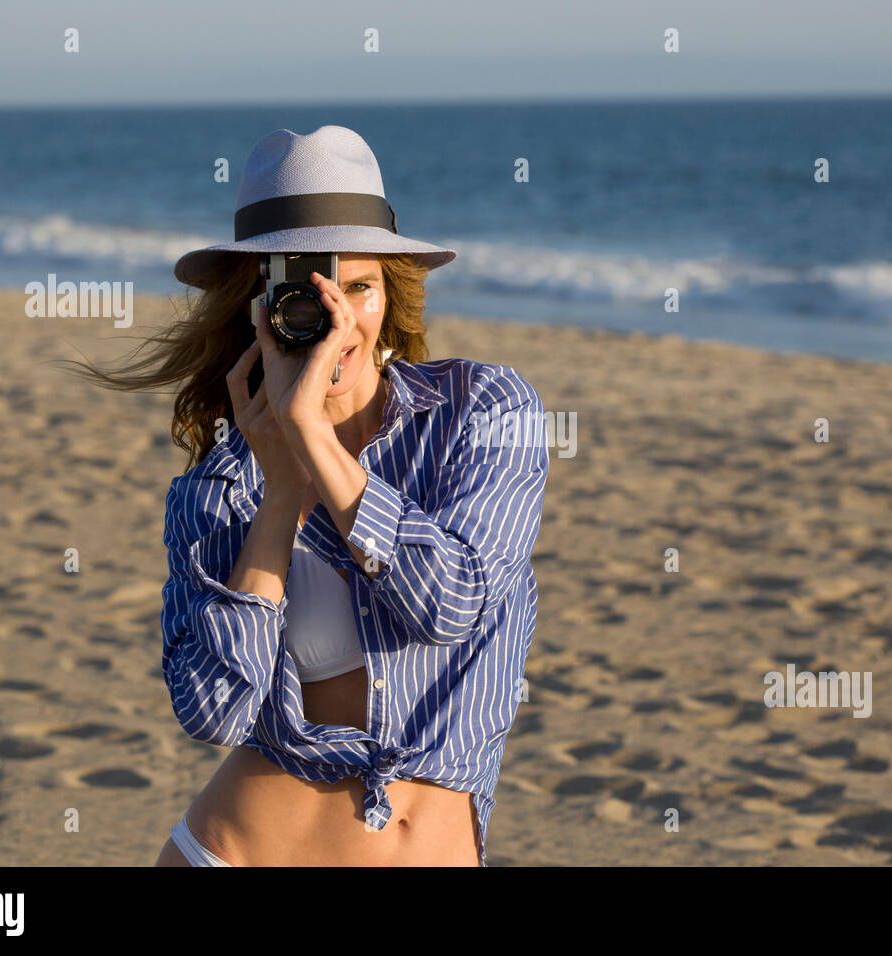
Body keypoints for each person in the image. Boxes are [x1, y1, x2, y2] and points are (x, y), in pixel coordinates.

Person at [71, 126, 548, 866]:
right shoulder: (222, 489)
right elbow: (215, 711)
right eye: (305, 293)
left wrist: (315, 441)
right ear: (256, 311)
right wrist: (281, 487)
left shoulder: (482, 412)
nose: (337, 316)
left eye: (359, 286)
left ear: (390, 296)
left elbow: (452, 602)